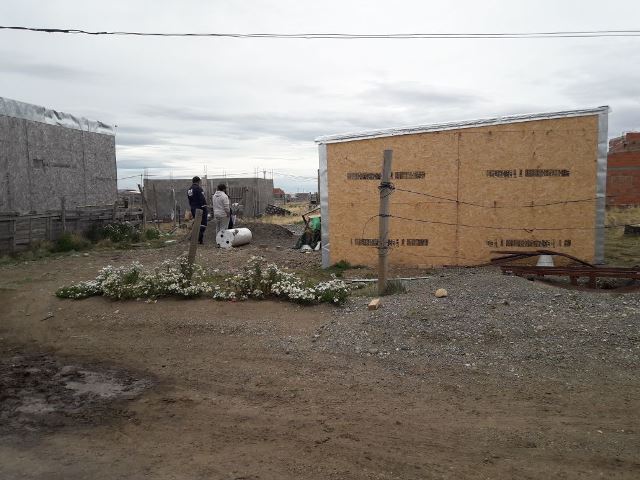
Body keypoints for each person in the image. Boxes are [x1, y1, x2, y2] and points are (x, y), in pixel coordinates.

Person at [187, 176, 208, 244]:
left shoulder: (189, 189)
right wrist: (205, 207)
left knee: (196, 223)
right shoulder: (198, 189)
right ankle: (199, 239)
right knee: (203, 223)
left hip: (193, 208)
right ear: (198, 181)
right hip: (200, 208)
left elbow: (190, 200)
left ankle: (195, 238)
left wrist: (192, 207)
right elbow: (202, 198)